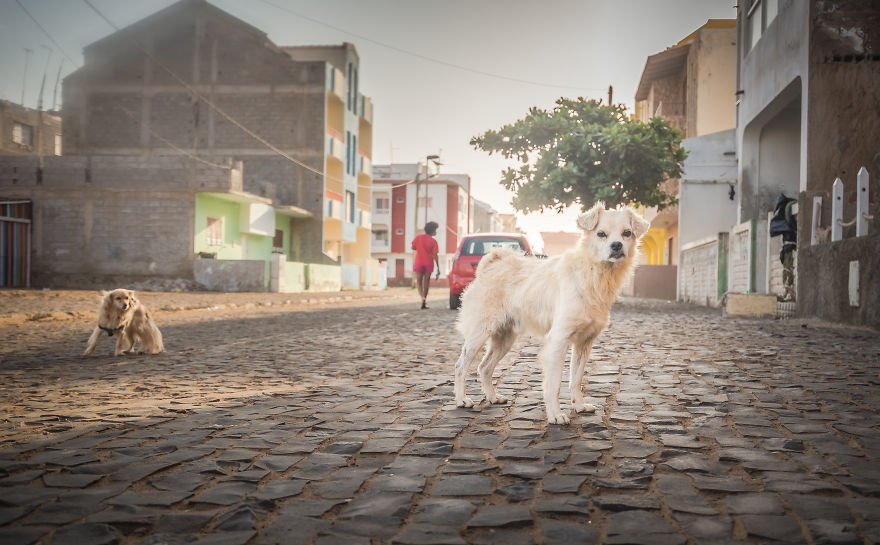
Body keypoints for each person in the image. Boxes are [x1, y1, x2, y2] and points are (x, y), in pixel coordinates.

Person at [411, 221, 440, 309]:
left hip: (419, 262)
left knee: (419, 282)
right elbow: (435, 255)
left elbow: (413, 247)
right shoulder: (434, 241)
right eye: (436, 230)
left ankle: (422, 298)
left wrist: (420, 247)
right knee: (426, 282)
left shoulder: (418, 237)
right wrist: (438, 267)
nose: (436, 232)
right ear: (432, 231)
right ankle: (424, 301)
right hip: (428, 263)